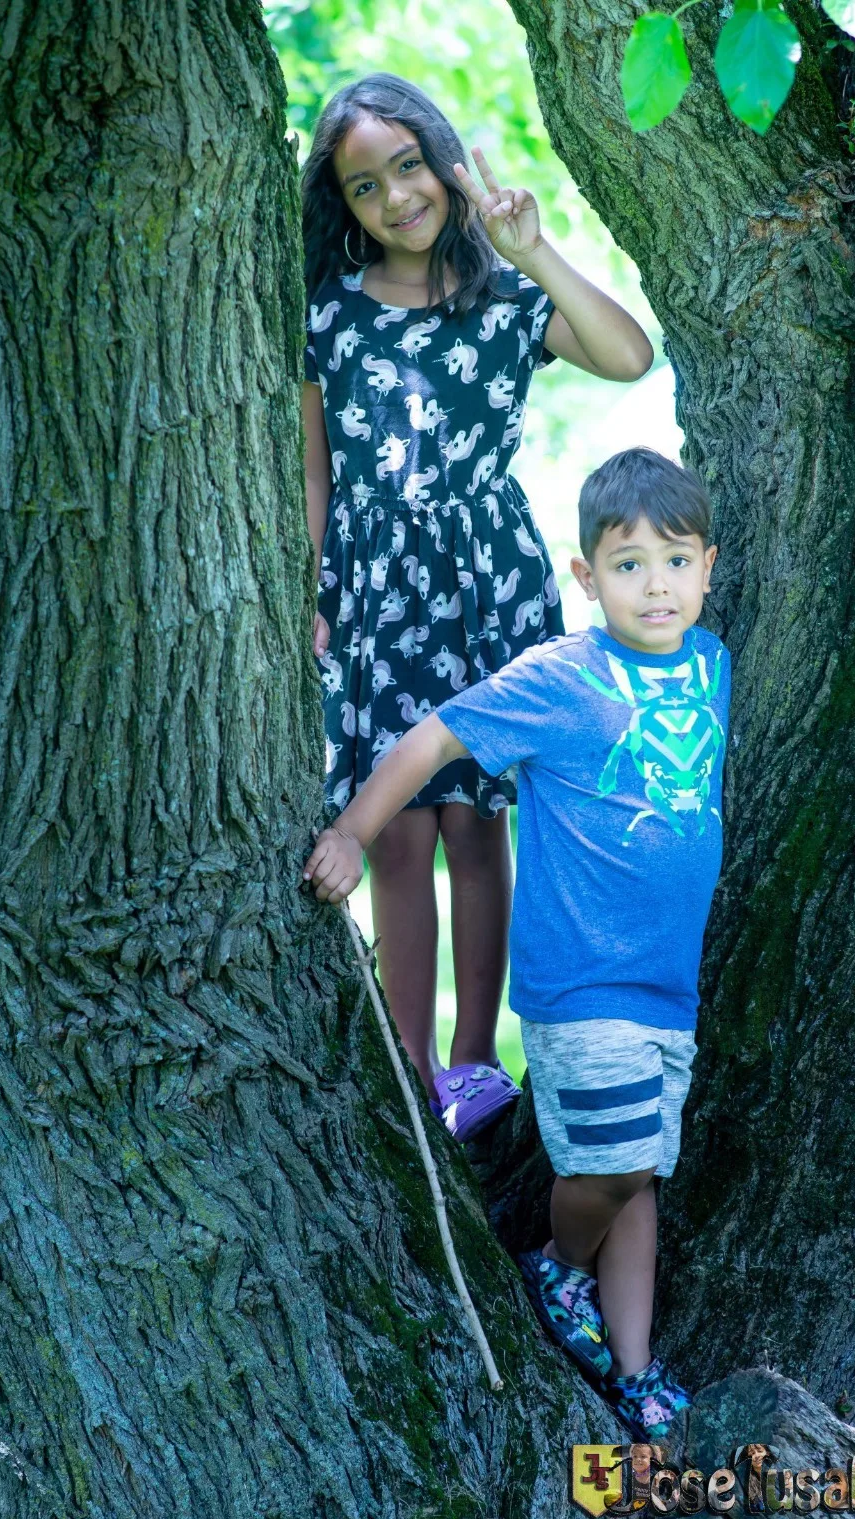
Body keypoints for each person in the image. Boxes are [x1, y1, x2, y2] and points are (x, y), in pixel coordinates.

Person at [303, 448, 731, 1442]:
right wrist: (352, 834)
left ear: (708, 568)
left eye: (675, 561)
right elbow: (434, 737)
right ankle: (554, 1266)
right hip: (583, 987)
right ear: (584, 578)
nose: (656, 584)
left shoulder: (709, 662)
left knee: (640, 1180)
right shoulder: (564, 676)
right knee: (613, 1173)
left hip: (667, 988)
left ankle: (632, 1372)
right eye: (628, 564)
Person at [299, 73, 655, 1144]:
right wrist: (312, 595)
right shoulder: (326, 314)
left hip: (485, 581)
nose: (395, 196)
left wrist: (533, 247)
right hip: (372, 586)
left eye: (408, 166)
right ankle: (408, 1071)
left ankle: (469, 1065)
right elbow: (315, 471)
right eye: (365, 185)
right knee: (397, 830)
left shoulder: (504, 299)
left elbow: (628, 356)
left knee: (473, 821)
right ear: (345, 205)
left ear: (445, 162)